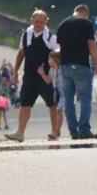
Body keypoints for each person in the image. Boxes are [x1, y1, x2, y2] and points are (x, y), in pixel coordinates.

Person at [5, 10, 59, 143]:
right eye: (36, 21)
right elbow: (21, 53)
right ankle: (20, 132)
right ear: (31, 21)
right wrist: (15, 71)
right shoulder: (25, 36)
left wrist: (54, 72)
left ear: (46, 22)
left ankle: (54, 131)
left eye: (42, 22)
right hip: (29, 76)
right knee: (25, 104)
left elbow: (58, 56)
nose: (39, 24)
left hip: (45, 76)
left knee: (52, 104)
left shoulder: (51, 38)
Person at [55, 3, 97, 140]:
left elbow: (60, 48)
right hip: (81, 65)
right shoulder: (86, 24)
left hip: (65, 66)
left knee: (69, 100)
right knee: (85, 98)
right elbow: (91, 46)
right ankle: (84, 129)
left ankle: (73, 131)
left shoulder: (62, 25)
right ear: (86, 13)